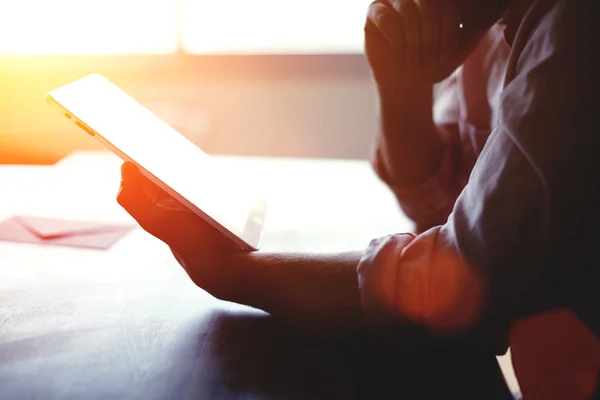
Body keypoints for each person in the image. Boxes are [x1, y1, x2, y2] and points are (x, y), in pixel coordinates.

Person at [117, 0, 600, 398]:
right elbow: (440, 201)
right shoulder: (490, 24)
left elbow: (465, 270)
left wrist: (231, 271)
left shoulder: (575, 30)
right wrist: (400, 83)